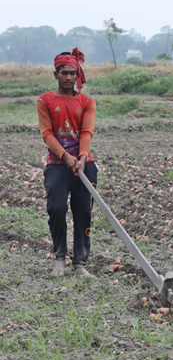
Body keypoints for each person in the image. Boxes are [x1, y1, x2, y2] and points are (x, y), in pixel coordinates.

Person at [38, 49, 97, 277]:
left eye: (73, 73)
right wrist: (66, 156)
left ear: (78, 74)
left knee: (83, 212)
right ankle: (60, 258)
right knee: (56, 208)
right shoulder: (45, 100)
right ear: (56, 74)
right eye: (64, 73)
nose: (69, 77)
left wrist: (81, 157)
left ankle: (80, 263)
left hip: (84, 163)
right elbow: (47, 134)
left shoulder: (87, 102)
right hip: (57, 163)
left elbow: (86, 132)